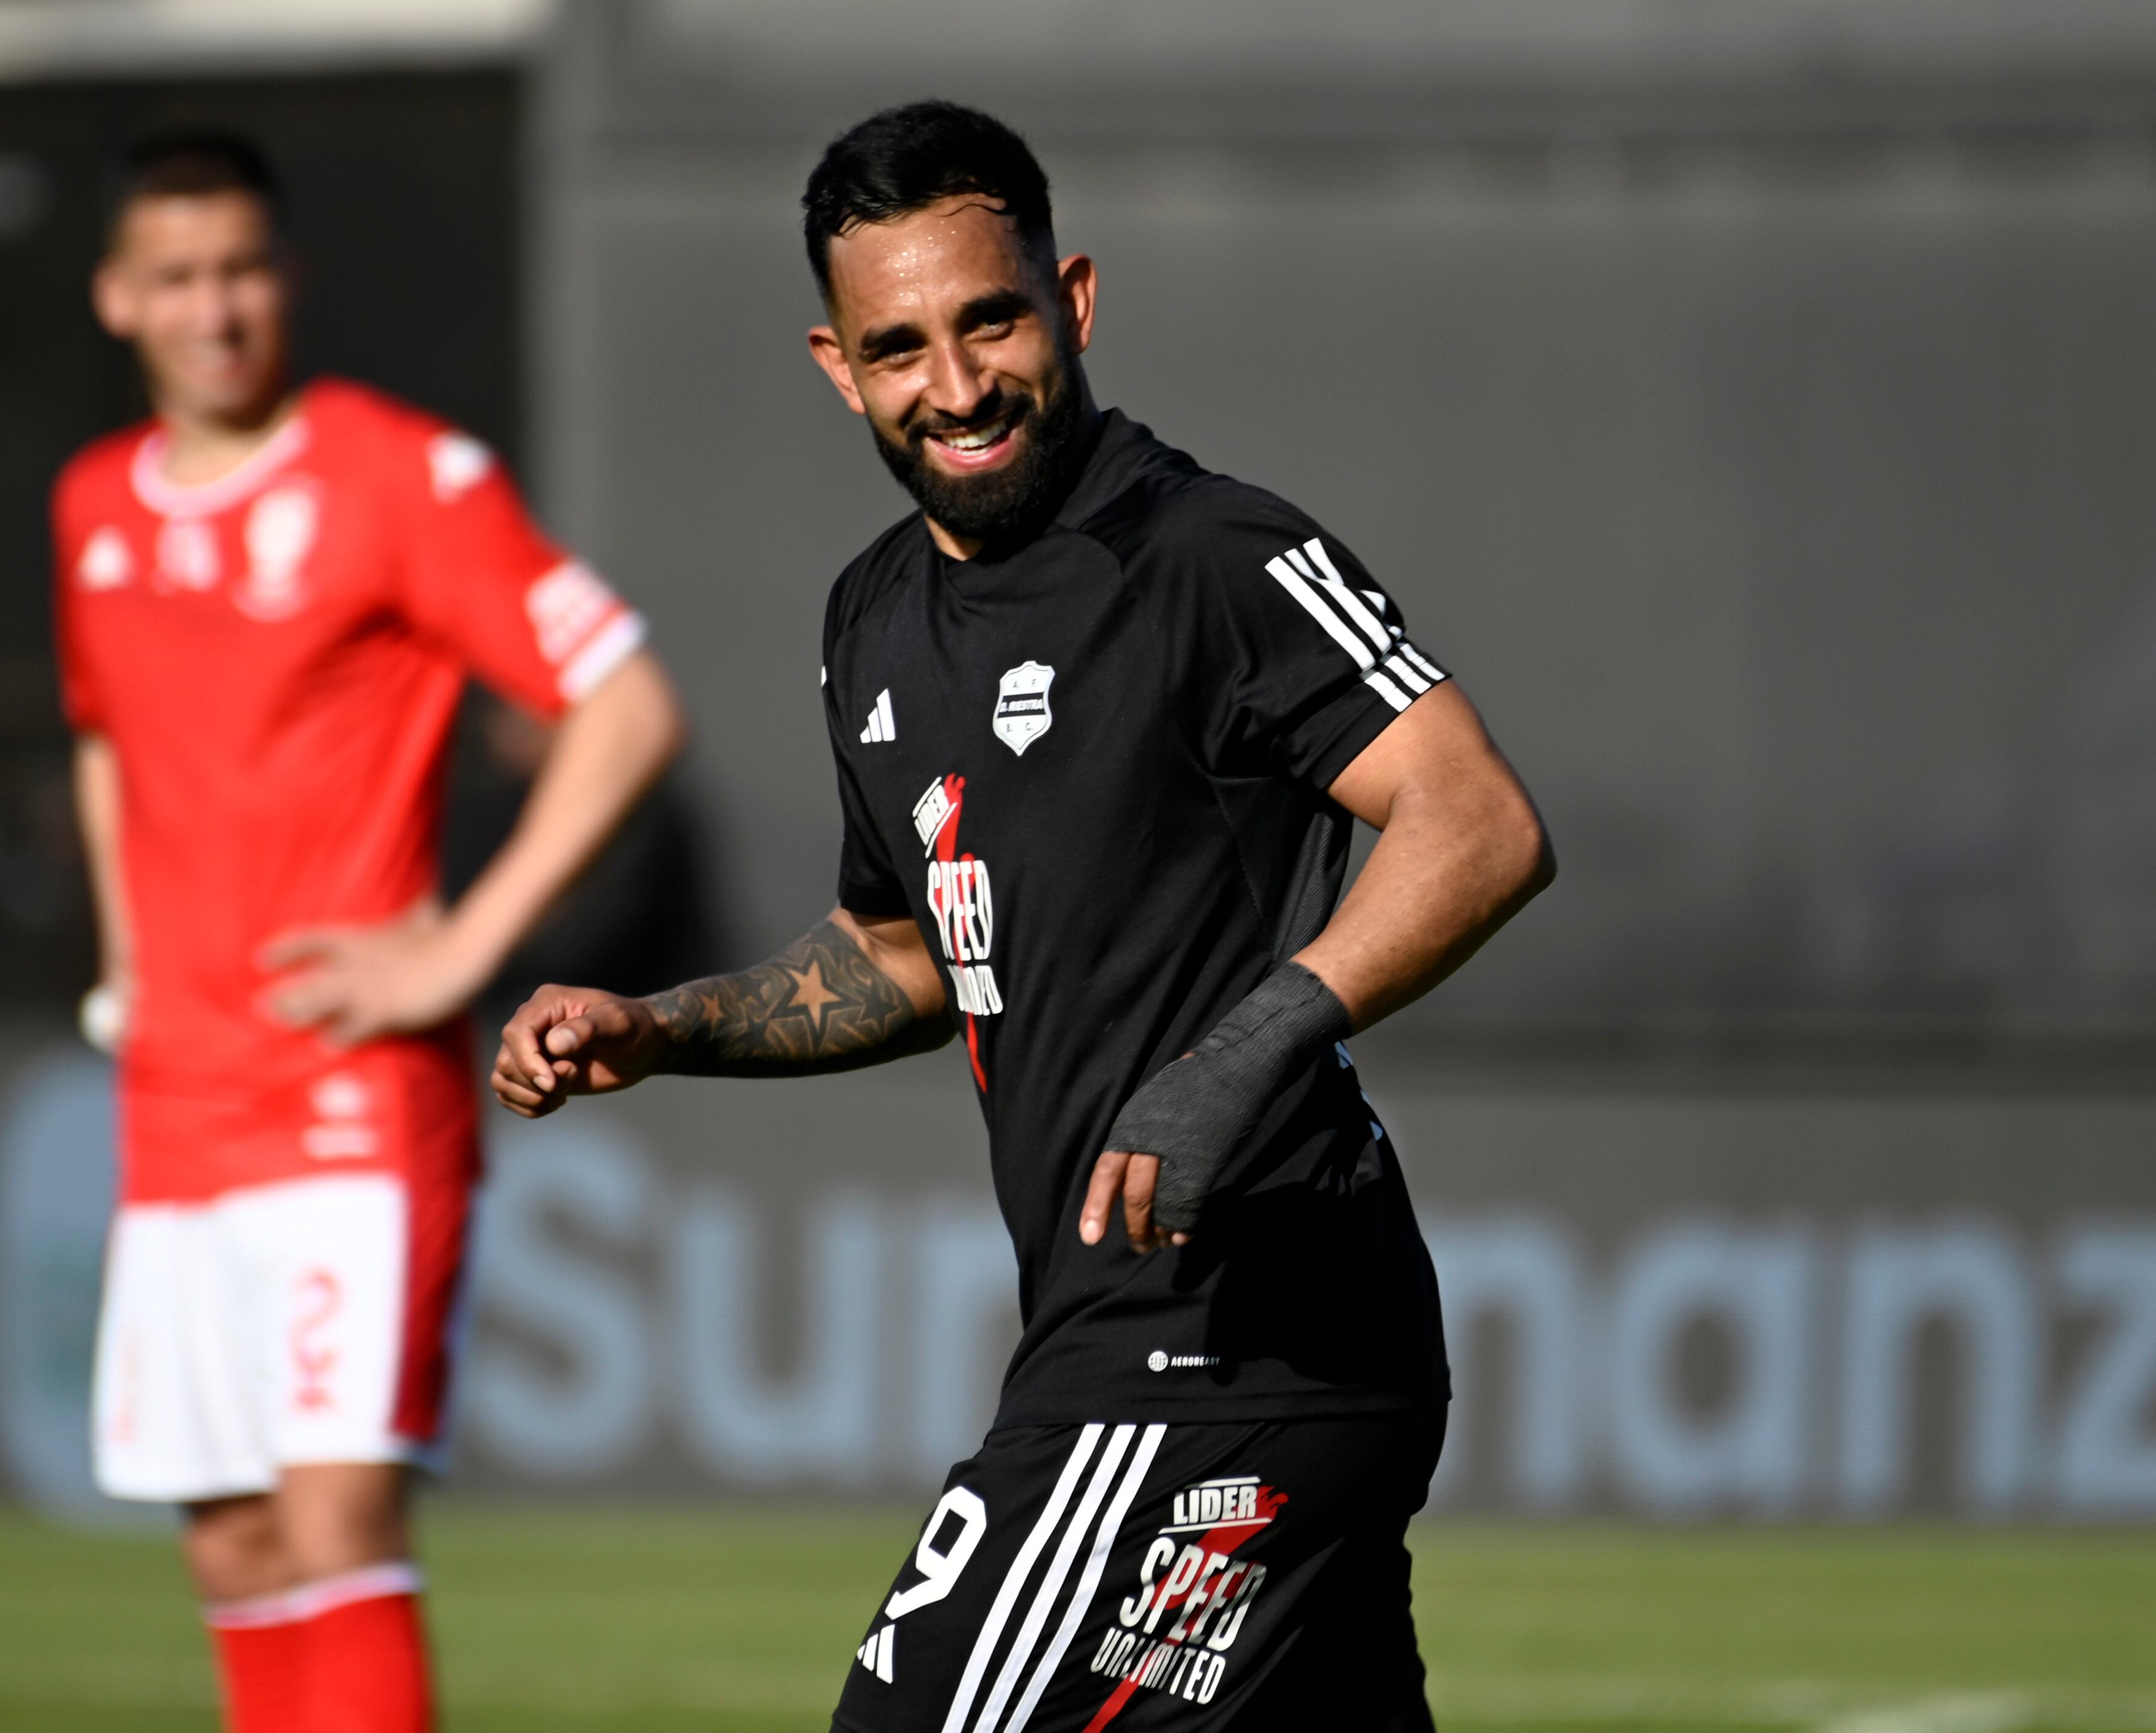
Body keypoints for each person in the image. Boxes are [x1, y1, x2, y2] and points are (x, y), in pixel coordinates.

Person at [494, 100, 1552, 1732]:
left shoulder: (1209, 554)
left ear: (1073, 300)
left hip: (1227, 1338)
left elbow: (1475, 817)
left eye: (991, 320)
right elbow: (905, 953)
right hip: (1137, 1331)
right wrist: (666, 1025)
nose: (959, 384)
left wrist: (1245, 1050)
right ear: (838, 367)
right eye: (899, 346)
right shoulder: (871, 620)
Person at [56, 128, 685, 1733]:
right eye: (179, 277)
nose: (217, 309)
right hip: (177, 1106)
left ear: (290, 280)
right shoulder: (92, 511)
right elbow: (110, 740)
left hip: (352, 1094)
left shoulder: (401, 476)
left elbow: (625, 703)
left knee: (337, 1522)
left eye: (245, 270)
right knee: (236, 1545)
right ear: (118, 298)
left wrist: (464, 953)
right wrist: (131, 963)